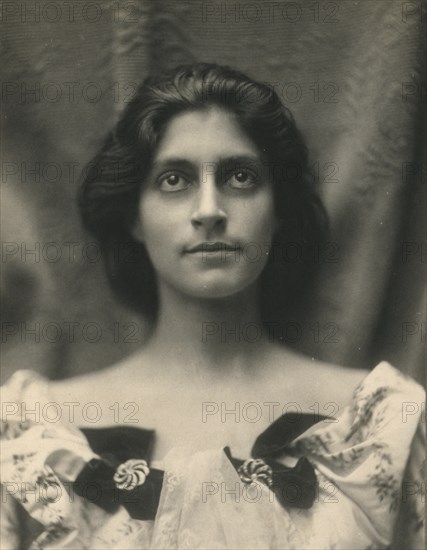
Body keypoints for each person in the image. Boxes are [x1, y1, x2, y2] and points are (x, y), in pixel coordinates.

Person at [1, 63, 424, 549]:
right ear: (134, 217)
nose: (209, 210)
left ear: (279, 209)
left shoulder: (376, 424)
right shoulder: (36, 427)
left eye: (240, 176)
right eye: (174, 180)